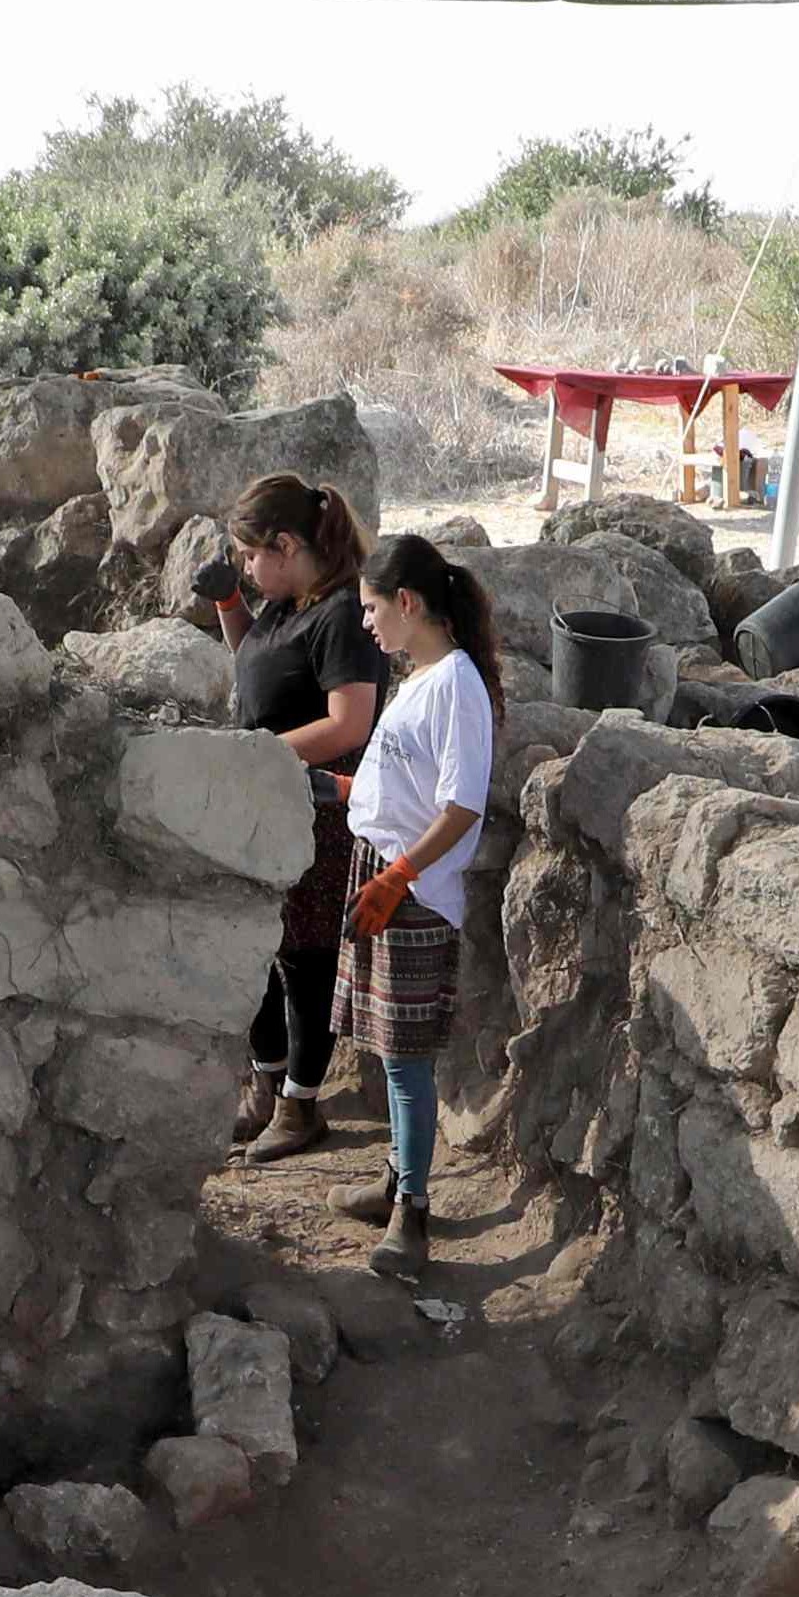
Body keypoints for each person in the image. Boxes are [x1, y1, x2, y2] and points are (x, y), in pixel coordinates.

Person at [208, 474, 388, 1160]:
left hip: (319, 809)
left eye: (250, 556)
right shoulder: (290, 604)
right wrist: (229, 602)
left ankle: (301, 1105)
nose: (248, 569)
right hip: (274, 799)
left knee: (306, 961)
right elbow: (263, 668)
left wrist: (253, 757)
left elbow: (349, 723)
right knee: (259, 948)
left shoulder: (343, 614)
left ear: (286, 545)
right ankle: (268, 1086)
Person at [339, 529, 501, 1290]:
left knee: (406, 1060)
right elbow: (400, 783)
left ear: (407, 603)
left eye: (373, 609)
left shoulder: (457, 683)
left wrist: (397, 874)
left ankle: (412, 1209)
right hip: (383, 874)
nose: (367, 624)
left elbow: (461, 805)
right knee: (383, 1043)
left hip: (412, 891)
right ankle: (393, 1174)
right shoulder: (422, 674)